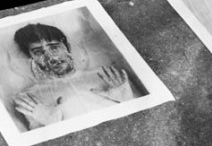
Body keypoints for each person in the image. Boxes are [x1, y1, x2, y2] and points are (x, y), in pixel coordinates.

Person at [11, 23, 141, 130]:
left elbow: (143, 116)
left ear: (67, 47)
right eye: (39, 52)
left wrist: (128, 99)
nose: (51, 57)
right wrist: (52, 124)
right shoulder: (31, 99)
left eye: (54, 47)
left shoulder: (106, 74)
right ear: (31, 58)